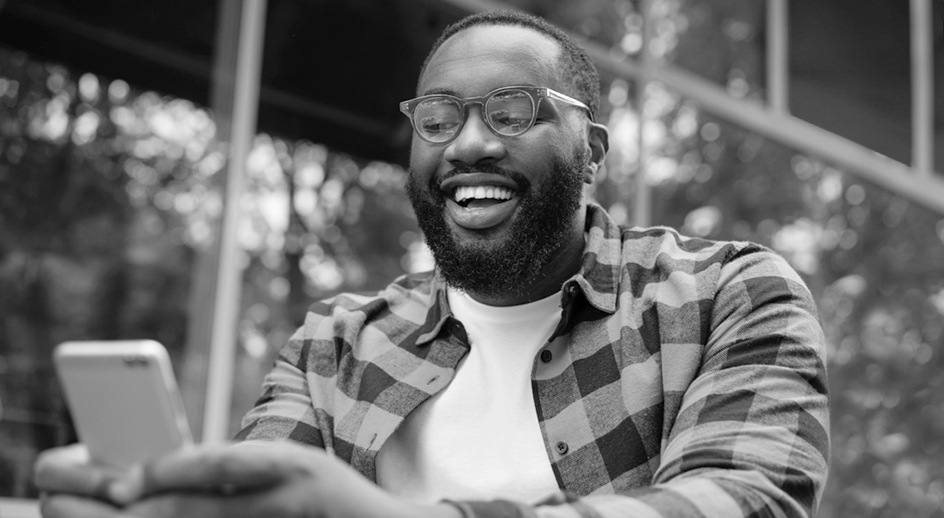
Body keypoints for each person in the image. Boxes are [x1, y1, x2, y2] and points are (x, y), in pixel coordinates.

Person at [34, 9, 830, 518]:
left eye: (513, 110)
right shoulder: (336, 346)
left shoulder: (725, 293)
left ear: (590, 153)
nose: (470, 144)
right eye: (439, 118)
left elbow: (748, 499)